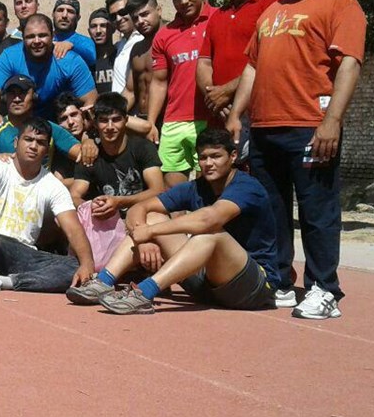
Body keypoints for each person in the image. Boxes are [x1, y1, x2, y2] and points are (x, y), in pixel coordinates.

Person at [227, 0, 367, 320]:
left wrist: (332, 120)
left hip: (310, 125)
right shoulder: (273, 11)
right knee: (271, 211)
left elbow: (350, 63)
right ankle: (281, 281)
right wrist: (236, 115)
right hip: (265, 128)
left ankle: (324, 288)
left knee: (317, 211)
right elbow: (252, 67)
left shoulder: (341, 3)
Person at [66, 129, 282, 316]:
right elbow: (138, 209)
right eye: (203, 157)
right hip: (206, 284)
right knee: (153, 216)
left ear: (233, 156)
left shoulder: (247, 186)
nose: (208, 164)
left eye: (216, 156)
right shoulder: (196, 187)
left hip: (252, 287)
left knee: (210, 234)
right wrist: (143, 240)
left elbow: (209, 219)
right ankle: (103, 282)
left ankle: (143, 292)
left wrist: (151, 232)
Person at [0, 118, 95, 300]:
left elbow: (73, 228)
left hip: (24, 254)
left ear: (47, 149)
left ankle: (3, 281)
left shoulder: (53, 185)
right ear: (16, 142)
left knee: (74, 267)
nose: (33, 146)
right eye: (28, 139)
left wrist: (87, 264)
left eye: (40, 142)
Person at [197, 0, 285, 161]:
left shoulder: (276, 5)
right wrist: (214, 98)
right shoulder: (218, 15)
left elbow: (274, 60)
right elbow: (204, 63)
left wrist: (227, 92)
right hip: (222, 116)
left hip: (262, 115)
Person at [147, 0, 214, 185]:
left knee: (208, 190)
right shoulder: (164, 35)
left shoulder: (219, 20)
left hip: (209, 118)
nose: (183, 1)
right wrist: (151, 122)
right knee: (173, 193)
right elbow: (159, 82)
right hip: (174, 121)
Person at [0, 14, 97, 123]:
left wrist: (85, 128)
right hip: (21, 121)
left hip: (59, 122)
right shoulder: (10, 56)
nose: (36, 41)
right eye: (30, 37)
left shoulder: (70, 61)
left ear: (52, 36)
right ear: (22, 38)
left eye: (42, 36)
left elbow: (90, 99)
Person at [69, 93, 165, 216]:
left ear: (126, 120)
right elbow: (74, 196)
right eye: (103, 120)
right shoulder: (89, 154)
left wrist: (119, 202)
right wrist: (91, 207)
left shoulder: (143, 147)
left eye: (116, 120)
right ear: (95, 123)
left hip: (144, 213)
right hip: (105, 219)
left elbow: (158, 190)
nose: (110, 127)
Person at [0, 75, 87, 177]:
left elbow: (81, 153)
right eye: (12, 93)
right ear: (5, 98)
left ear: (34, 97)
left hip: (41, 186)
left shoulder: (48, 127)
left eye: (22, 93)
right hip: (5, 183)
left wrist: (88, 141)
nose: (17, 99)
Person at [122, 0, 161, 125]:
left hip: (168, 118)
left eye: (145, 14)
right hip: (142, 119)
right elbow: (130, 91)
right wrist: (112, 112)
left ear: (159, 10)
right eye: (135, 18)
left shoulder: (171, 40)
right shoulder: (137, 49)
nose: (140, 21)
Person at [50, 0, 97, 68]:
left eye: (70, 12)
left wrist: (72, 46)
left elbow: (92, 58)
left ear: (78, 18)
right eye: (60, 10)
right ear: (53, 14)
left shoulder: (84, 41)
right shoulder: (44, 38)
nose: (64, 15)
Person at [107, 0, 139, 97]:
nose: (118, 19)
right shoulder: (121, 44)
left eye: (123, 12)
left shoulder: (142, 41)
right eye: (113, 16)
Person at [87, 9, 117, 94]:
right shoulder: (86, 61)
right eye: (93, 26)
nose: (98, 31)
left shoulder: (121, 55)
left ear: (113, 28)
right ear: (89, 31)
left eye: (103, 26)